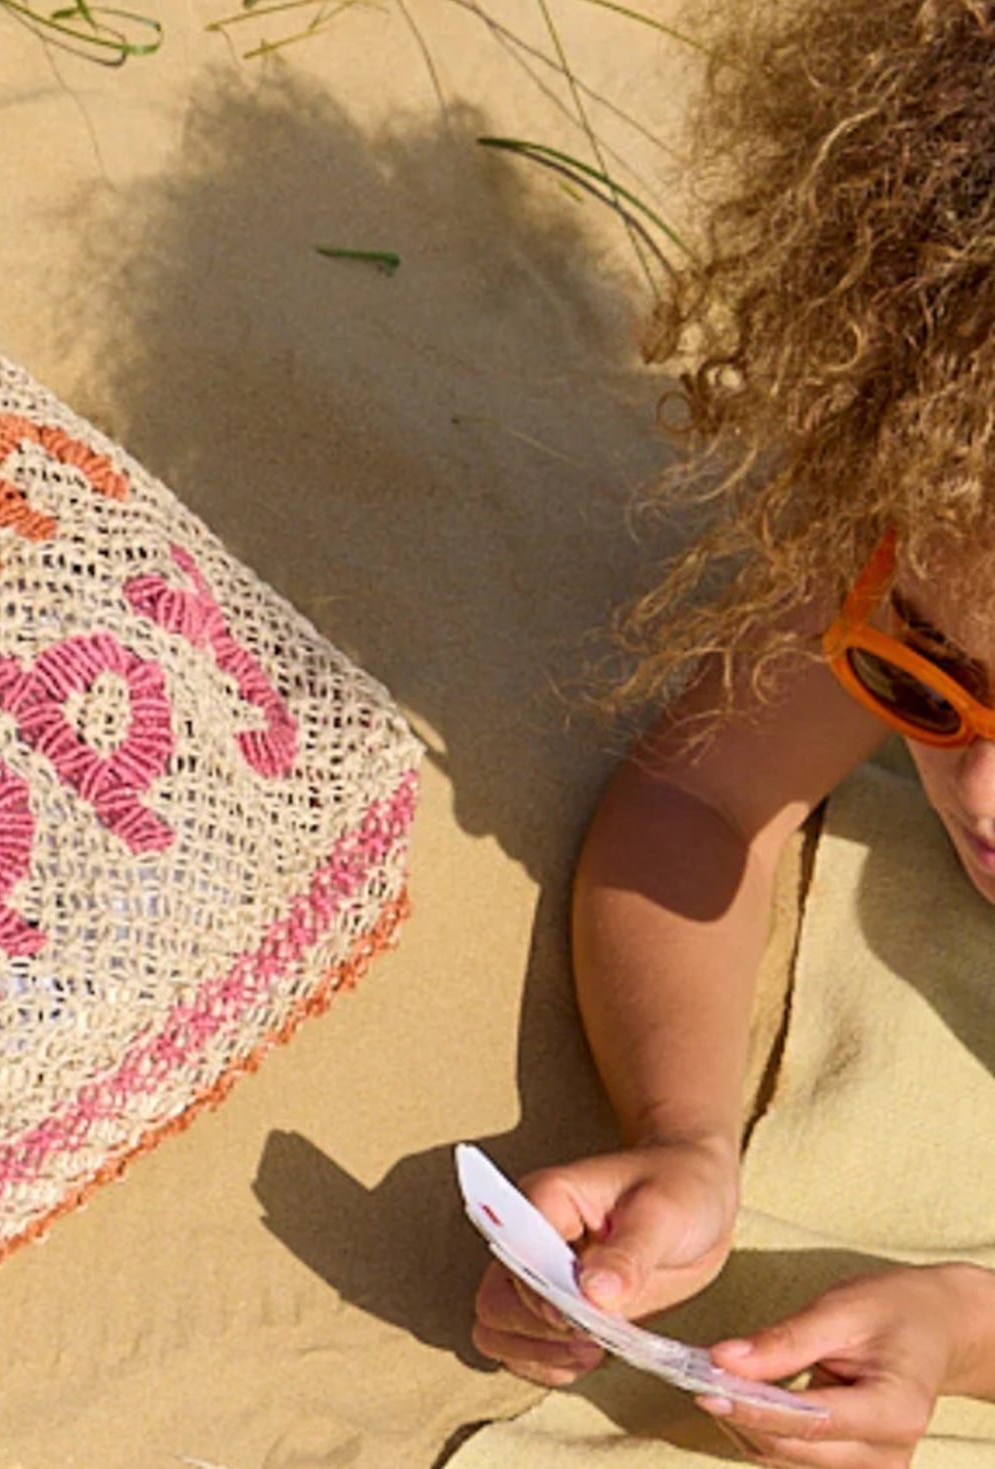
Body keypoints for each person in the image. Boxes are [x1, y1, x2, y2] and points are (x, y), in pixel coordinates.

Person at [470, 2, 995, 1465]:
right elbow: (698, 800)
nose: (984, 785)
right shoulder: (938, 538)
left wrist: (962, 1327)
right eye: (930, 688)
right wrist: (688, 1129)